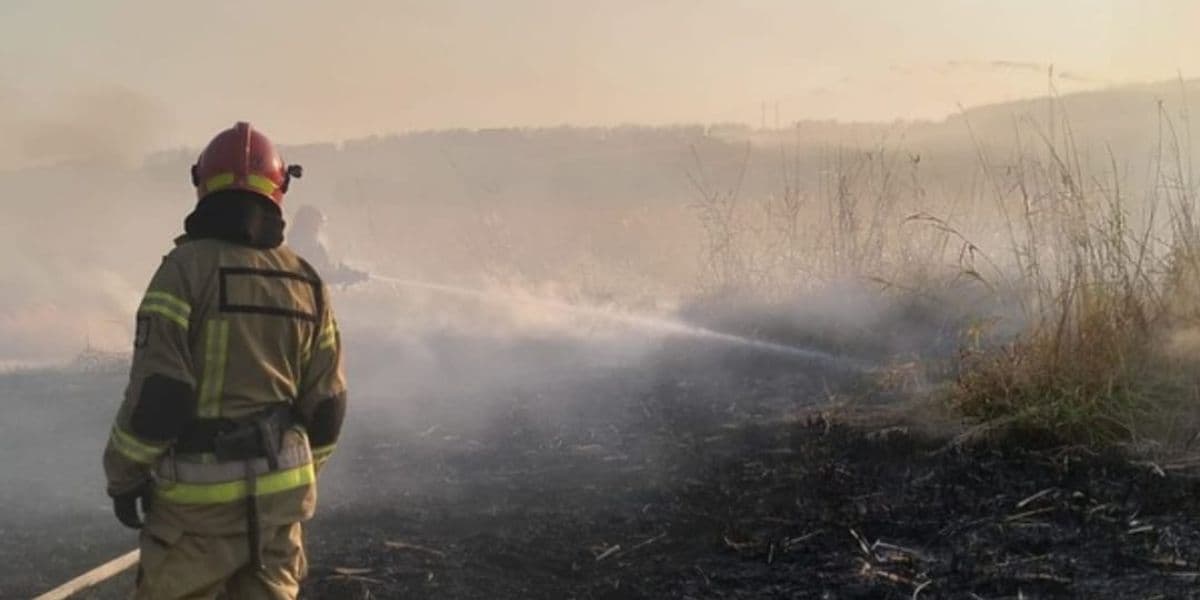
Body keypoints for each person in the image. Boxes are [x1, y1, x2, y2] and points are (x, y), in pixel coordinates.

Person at [103, 122, 347, 599]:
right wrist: (293, 472)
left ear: (203, 185)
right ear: (279, 190)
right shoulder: (307, 281)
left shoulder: (183, 272)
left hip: (195, 519)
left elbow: (160, 398)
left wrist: (124, 477)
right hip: (280, 510)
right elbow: (328, 407)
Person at [288, 204, 369, 286]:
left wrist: (346, 272)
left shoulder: (317, 247)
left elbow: (326, 269)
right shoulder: (298, 246)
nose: (317, 229)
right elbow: (318, 274)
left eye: (319, 225)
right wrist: (344, 275)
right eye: (315, 225)